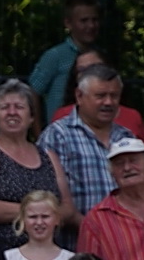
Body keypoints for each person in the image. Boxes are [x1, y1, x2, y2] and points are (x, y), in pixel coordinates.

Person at [0, 78, 77, 257]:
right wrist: (35, 212)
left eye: (19, 107)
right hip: (1, 258)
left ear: (32, 117)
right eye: (4, 107)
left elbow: (68, 208)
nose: (12, 112)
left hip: (48, 256)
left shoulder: (49, 156)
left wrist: (36, 215)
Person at [38, 63, 135, 217]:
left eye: (114, 95)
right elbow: (48, 198)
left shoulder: (127, 137)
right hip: (76, 237)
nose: (108, 102)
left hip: (125, 236)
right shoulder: (58, 136)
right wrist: (90, 231)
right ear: (79, 96)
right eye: (100, 96)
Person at [50, 51, 144, 142]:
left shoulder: (129, 126)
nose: (108, 102)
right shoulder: (59, 128)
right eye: (82, 69)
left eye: (96, 67)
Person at [29, 0, 101, 121]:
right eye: (84, 21)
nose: (91, 26)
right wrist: (39, 134)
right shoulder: (55, 56)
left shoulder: (100, 56)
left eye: (94, 20)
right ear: (68, 23)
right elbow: (33, 93)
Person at [3, 190, 71, 260]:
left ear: (57, 219)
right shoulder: (9, 258)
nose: (39, 222)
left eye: (45, 216)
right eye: (33, 217)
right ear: (23, 219)